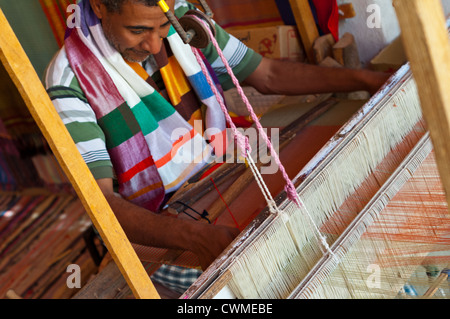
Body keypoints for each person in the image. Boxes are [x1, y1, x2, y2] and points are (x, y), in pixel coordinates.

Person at [45, 0, 390, 294]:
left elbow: (266, 74)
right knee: (266, 283)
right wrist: (196, 237)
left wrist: (366, 80)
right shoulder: (69, 80)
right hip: (160, 218)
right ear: (101, 6)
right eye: (137, 31)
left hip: (221, 167)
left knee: (337, 215)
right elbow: (102, 204)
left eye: (161, 26)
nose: (153, 45)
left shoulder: (183, 21)